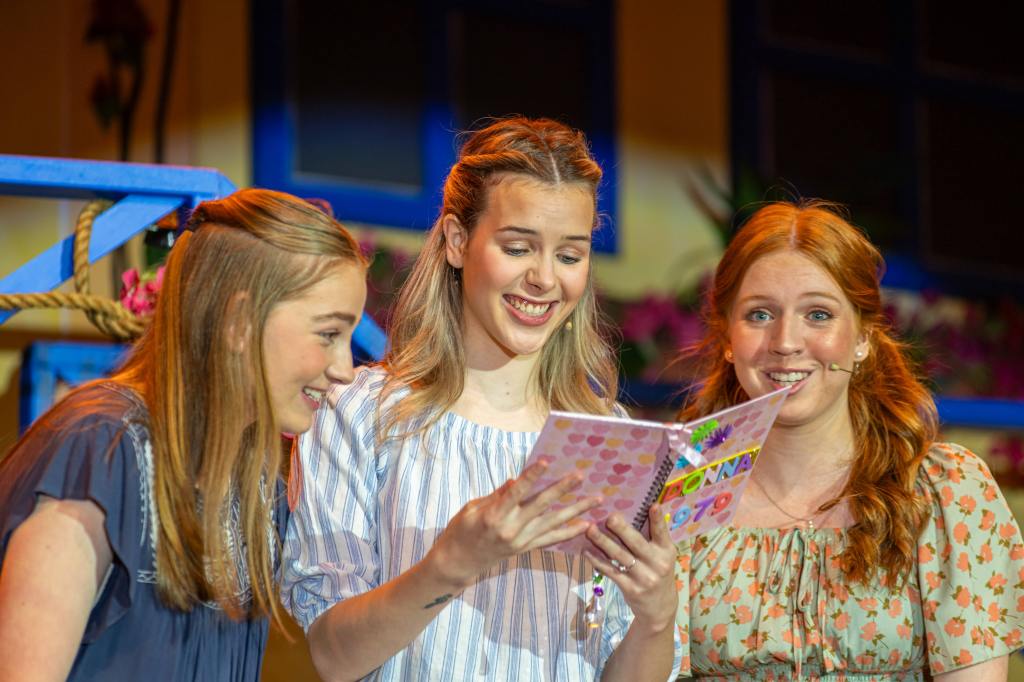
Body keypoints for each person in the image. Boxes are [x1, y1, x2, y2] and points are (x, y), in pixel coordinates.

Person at [282, 117, 682, 681]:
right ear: (456, 241)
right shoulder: (361, 414)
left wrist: (656, 619)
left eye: (570, 256)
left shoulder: (609, 437)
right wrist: (453, 562)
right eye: (518, 247)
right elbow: (332, 655)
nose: (544, 278)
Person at [0, 188, 368, 681]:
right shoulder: (101, 447)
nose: (346, 369)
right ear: (239, 322)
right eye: (328, 334)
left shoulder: (258, 485)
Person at [674, 200, 1024, 679]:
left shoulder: (946, 493)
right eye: (759, 314)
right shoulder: (680, 493)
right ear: (728, 336)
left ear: (863, 337)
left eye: (818, 314)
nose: (786, 341)